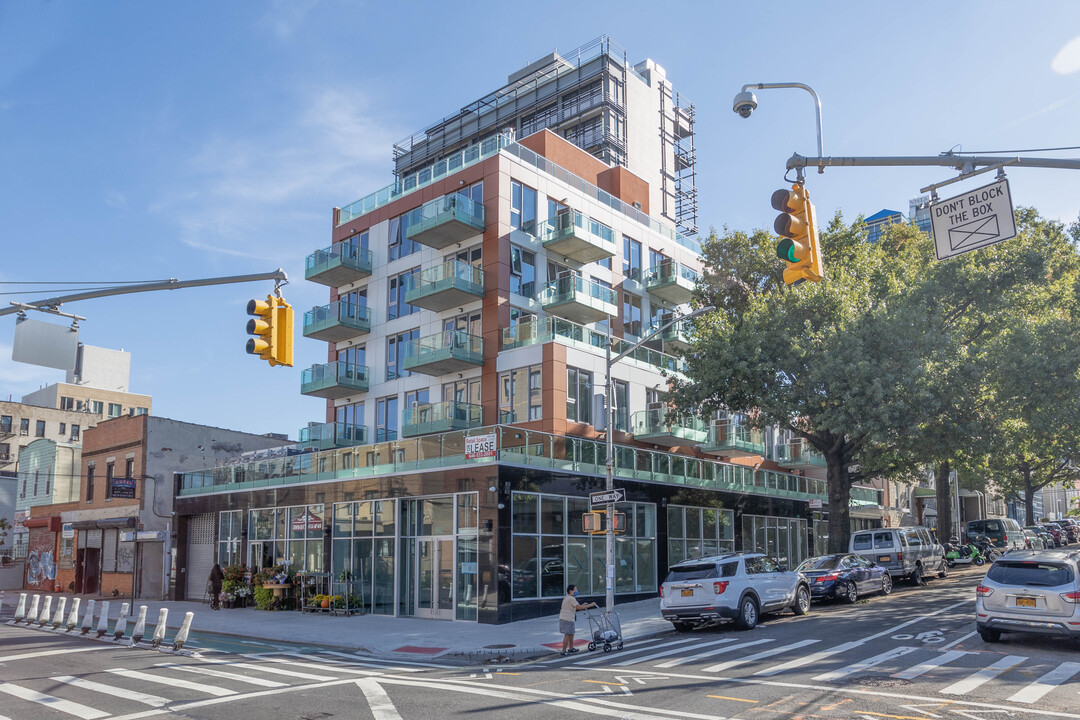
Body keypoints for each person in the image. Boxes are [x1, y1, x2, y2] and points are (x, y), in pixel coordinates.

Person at [559, 584, 597, 656]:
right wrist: (591, 605)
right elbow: (579, 607)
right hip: (567, 618)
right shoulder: (571, 598)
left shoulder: (568, 597)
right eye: (575, 590)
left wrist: (583, 605)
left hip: (566, 618)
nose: (577, 591)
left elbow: (576, 607)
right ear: (571, 591)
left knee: (571, 633)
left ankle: (571, 648)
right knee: (567, 634)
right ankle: (563, 651)